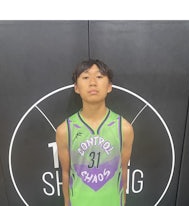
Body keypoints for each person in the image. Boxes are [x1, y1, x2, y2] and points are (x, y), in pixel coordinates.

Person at [56, 59, 134, 206]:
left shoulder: (124, 128)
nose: (92, 82)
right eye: (85, 77)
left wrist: (123, 202)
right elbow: (66, 173)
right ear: (76, 87)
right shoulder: (64, 130)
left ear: (109, 86)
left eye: (99, 77)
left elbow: (123, 171)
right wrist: (67, 203)